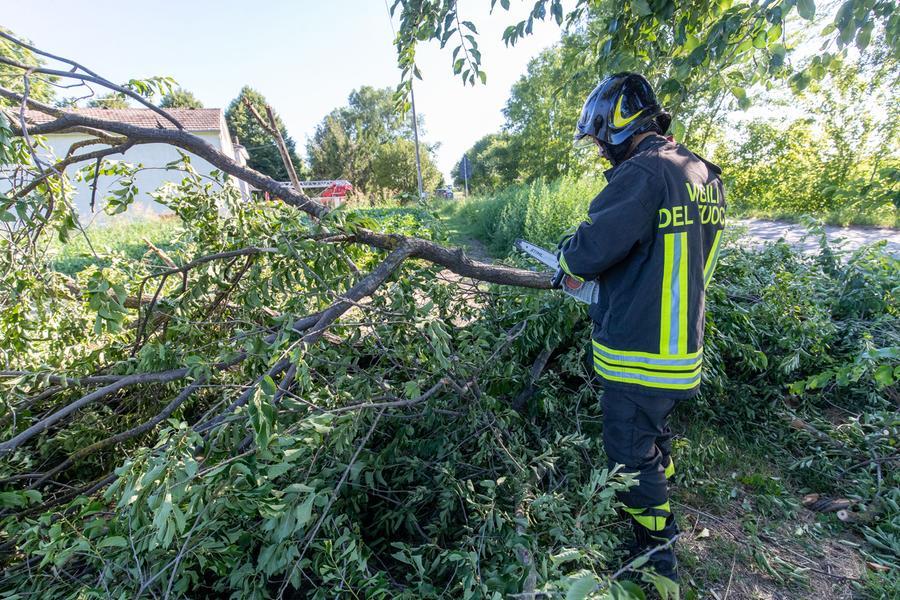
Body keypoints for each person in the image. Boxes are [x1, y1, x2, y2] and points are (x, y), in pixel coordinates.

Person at [552, 72, 726, 583]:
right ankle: (661, 498)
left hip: (638, 351)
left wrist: (568, 256)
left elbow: (589, 250)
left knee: (630, 454)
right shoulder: (703, 174)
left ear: (617, 125)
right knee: (654, 439)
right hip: (682, 348)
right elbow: (687, 261)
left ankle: (655, 560)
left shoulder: (642, 175)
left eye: (600, 138)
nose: (601, 150)